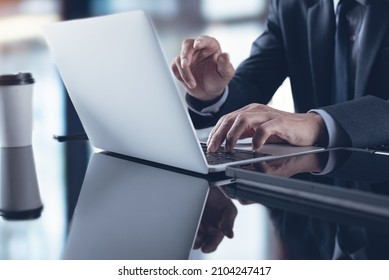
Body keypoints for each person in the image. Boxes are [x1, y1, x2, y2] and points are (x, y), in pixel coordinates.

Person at [171, 0, 389, 152]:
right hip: (315, 190)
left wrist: (318, 125)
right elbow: (255, 82)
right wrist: (213, 94)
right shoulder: (291, 4)